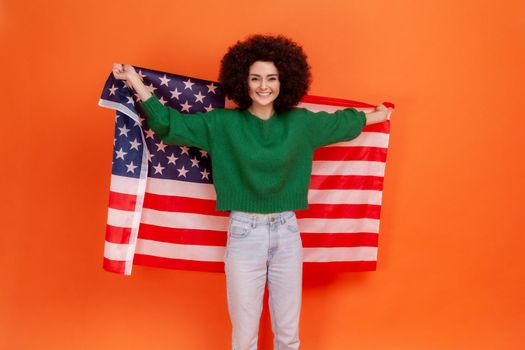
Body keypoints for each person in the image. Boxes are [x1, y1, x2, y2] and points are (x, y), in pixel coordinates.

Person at [112, 34, 389, 350]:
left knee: (288, 336)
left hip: (287, 234)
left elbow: (343, 123)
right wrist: (135, 81)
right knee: (244, 338)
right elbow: (169, 126)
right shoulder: (221, 124)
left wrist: (379, 115)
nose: (263, 86)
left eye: (271, 78)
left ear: (284, 80)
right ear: (243, 81)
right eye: (255, 78)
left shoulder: (301, 123)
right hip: (244, 235)